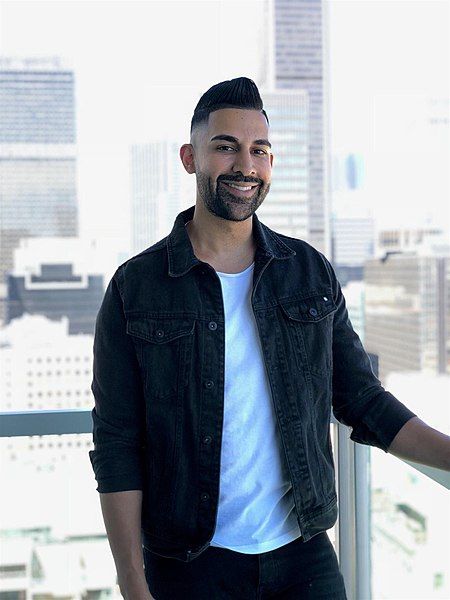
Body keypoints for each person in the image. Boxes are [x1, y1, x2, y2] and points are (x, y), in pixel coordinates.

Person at [89, 77, 450, 600]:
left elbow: (363, 400)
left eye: (259, 150)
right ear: (191, 158)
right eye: (226, 147)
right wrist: (132, 583)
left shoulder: (308, 273)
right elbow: (118, 442)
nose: (245, 165)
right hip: (186, 566)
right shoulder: (136, 287)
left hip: (302, 557)